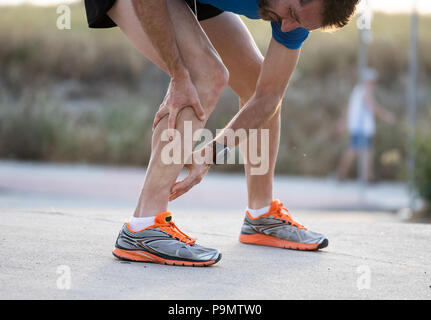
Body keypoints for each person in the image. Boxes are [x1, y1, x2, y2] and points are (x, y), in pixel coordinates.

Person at [84, 0, 359, 266]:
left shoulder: (296, 18)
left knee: (255, 82)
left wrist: (212, 152)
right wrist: (179, 75)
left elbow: (268, 96)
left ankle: (261, 216)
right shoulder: (295, 12)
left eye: (300, 24)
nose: (287, 27)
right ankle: (144, 226)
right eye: (290, 13)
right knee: (205, 74)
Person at [337, 69, 396, 182]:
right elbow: (371, 106)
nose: (374, 84)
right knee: (356, 150)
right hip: (361, 128)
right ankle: (343, 175)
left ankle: (367, 176)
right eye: (372, 81)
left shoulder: (358, 91)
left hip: (360, 127)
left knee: (366, 151)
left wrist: (343, 122)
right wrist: (386, 116)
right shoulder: (364, 91)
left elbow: (349, 110)